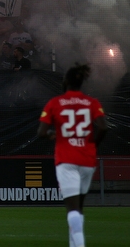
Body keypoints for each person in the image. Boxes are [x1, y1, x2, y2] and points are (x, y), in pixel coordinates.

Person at [37, 64, 108, 247]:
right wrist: (93, 144)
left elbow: (41, 132)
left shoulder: (54, 103)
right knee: (79, 208)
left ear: (66, 81)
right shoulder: (92, 103)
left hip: (66, 159)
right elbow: (103, 127)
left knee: (72, 209)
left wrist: (53, 135)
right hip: (87, 159)